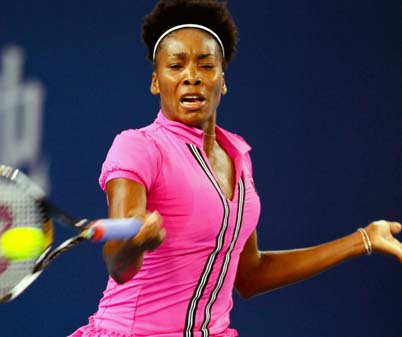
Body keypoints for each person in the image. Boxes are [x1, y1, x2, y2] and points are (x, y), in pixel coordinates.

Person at [69, 1, 402, 336]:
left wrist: (364, 240)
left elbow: (250, 275)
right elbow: (118, 264)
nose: (191, 77)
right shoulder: (138, 146)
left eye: (205, 65)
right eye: (176, 65)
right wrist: (135, 241)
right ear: (157, 82)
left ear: (222, 81)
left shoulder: (238, 156)